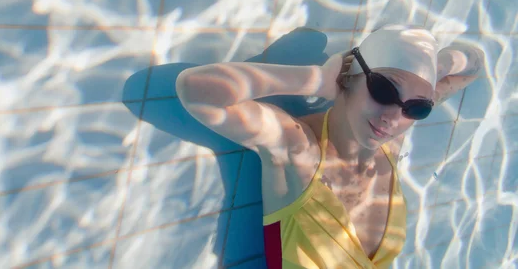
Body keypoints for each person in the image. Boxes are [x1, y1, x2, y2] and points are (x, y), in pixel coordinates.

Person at [175, 24, 485, 269]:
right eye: (384, 89)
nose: (393, 117)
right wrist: (316, 80)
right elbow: (196, 90)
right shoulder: (298, 149)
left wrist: (432, 62)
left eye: (417, 108)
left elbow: (474, 64)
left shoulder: (390, 146)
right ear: (350, 75)